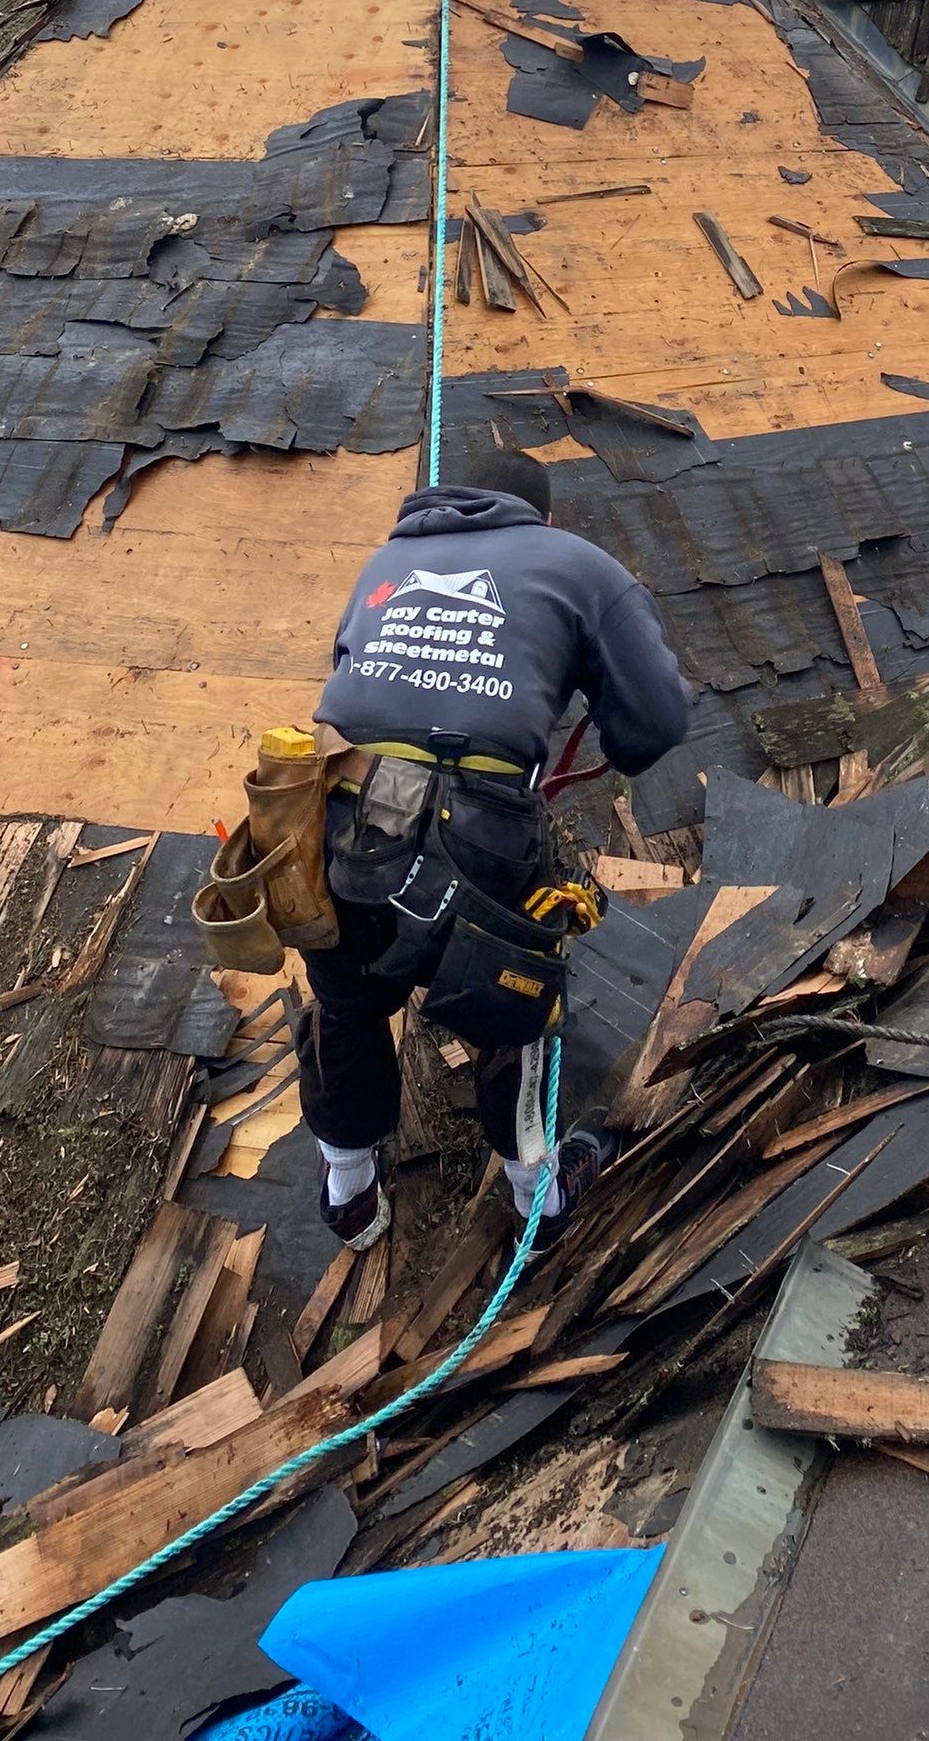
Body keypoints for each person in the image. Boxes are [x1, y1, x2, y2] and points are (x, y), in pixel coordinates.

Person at [300, 449, 691, 1254]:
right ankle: (537, 1204)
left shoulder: (386, 559)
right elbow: (653, 728)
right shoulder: (580, 565)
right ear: (543, 520)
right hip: (479, 832)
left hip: (342, 819)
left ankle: (348, 1195)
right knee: (509, 1005)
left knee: (346, 1000)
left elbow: (353, 675)